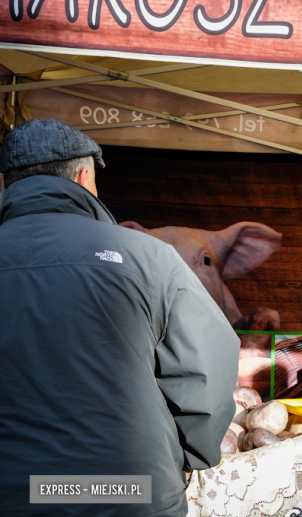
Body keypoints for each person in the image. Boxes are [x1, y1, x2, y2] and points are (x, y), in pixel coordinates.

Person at [0, 119, 240, 516]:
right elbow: (208, 367)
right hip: (125, 488)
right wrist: (190, 452)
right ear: (83, 177)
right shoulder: (148, 257)